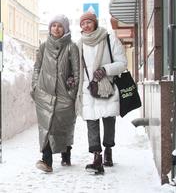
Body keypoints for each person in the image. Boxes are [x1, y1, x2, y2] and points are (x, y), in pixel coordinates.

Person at [76, 11, 127, 174]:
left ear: (95, 23)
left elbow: (122, 63)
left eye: (89, 22)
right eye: (83, 23)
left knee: (108, 120)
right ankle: (96, 157)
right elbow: (76, 66)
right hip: (88, 88)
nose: (86, 25)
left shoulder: (109, 38)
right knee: (91, 122)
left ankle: (108, 150)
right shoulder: (80, 43)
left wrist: (105, 69)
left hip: (107, 87)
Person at [31, 14, 80, 173]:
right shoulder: (44, 46)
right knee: (46, 127)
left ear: (65, 28)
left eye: (60, 26)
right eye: (54, 25)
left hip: (63, 95)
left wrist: (71, 92)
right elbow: (37, 67)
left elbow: (76, 72)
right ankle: (47, 161)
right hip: (44, 93)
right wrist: (35, 87)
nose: (56, 29)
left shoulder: (71, 47)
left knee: (62, 127)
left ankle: (66, 152)